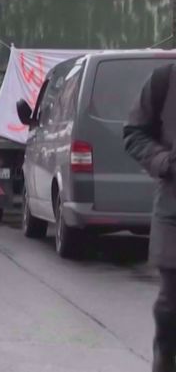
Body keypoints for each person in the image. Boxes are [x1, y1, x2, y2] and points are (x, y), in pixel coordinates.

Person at [123, 64, 176, 372]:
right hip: (173, 211)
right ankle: (165, 357)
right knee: (171, 308)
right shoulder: (165, 80)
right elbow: (134, 133)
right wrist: (165, 161)